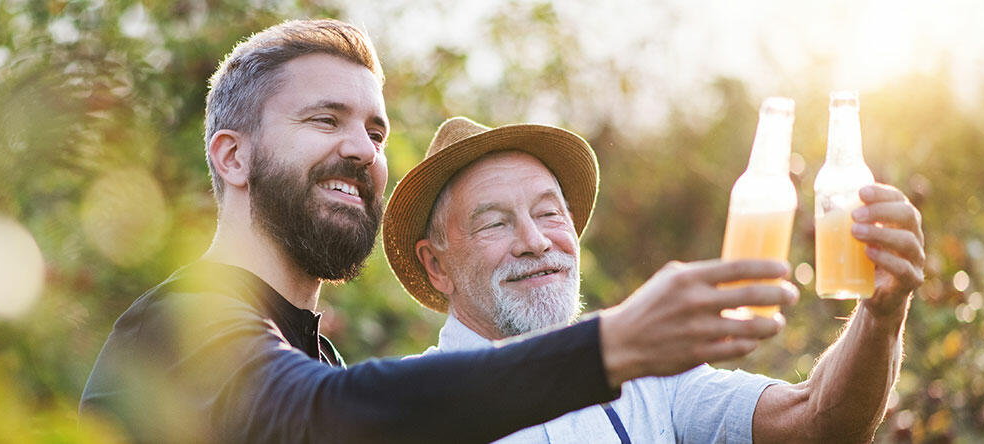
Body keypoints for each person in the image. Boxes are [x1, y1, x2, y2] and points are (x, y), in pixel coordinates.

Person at [81, 19, 795, 443]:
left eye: (375, 129)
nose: (362, 148)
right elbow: (329, 418)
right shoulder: (179, 322)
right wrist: (609, 347)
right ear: (233, 156)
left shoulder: (315, 356)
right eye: (325, 120)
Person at [385, 116, 926, 443]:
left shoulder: (650, 382)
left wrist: (881, 315)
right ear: (437, 265)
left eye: (550, 214)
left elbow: (819, 424)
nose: (535, 240)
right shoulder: (400, 406)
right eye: (496, 223)